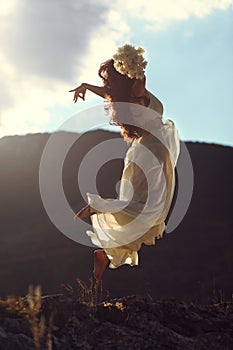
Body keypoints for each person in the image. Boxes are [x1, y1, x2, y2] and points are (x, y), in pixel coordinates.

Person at [70, 44, 180, 285]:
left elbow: (110, 91)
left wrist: (89, 86)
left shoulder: (127, 97)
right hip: (153, 149)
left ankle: (107, 253)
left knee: (148, 209)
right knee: (150, 207)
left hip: (147, 150)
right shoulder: (137, 90)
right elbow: (136, 77)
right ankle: (98, 207)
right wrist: (132, 61)